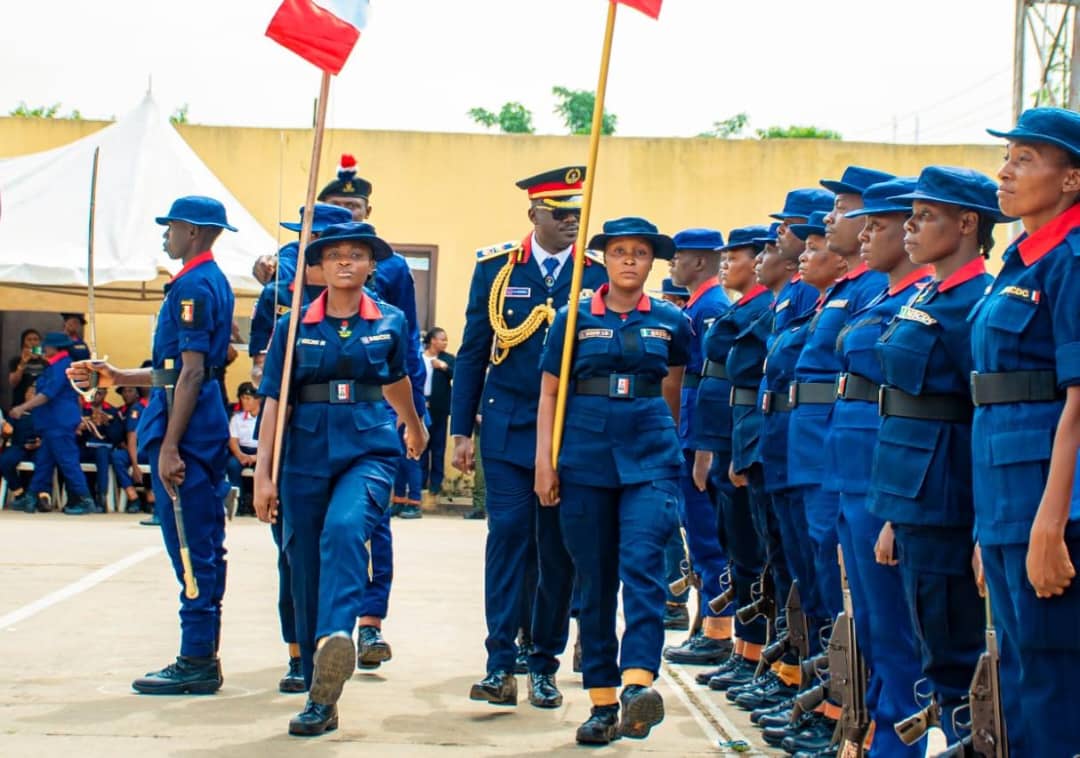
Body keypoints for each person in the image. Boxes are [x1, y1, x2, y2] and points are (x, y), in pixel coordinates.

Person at [253, 221, 426, 736]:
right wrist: (263, 475)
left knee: (347, 528)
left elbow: (396, 381)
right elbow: (273, 403)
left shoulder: (390, 321)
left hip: (368, 447)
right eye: (335, 256)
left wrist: (414, 427)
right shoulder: (291, 326)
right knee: (301, 563)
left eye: (357, 255)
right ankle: (318, 694)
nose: (346, 262)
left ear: (372, 265)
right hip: (302, 451)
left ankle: (336, 636)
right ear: (317, 267)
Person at [452, 166, 607, 709]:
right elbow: (473, 351)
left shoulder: (595, 274)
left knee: (555, 549)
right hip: (509, 423)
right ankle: (499, 663)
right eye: (559, 213)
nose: (570, 222)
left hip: (569, 431)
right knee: (508, 537)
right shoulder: (497, 270)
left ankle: (543, 660)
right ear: (533, 214)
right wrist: (459, 430)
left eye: (576, 214)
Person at [68, 195, 237, 695]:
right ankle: (200, 651)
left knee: (188, 541)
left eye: (171, 227)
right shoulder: (208, 281)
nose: (165, 235)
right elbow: (182, 367)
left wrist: (169, 447)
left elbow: (190, 372)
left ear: (192, 232)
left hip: (187, 427)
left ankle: (197, 657)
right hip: (193, 415)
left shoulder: (193, 285)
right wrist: (120, 375)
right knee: (201, 539)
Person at [534, 216, 687, 745]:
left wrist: (664, 443)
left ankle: (638, 683)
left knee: (643, 566)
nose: (629, 261)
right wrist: (544, 463)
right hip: (585, 455)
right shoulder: (571, 317)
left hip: (650, 456)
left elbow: (673, 388)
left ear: (651, 262)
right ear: (603, 259)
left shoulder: (671, 319)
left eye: (640, 253)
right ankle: (601, 700)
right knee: (594, 580)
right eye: (619, 251)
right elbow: (550, 393)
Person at [967, 107, 1080, 756]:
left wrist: (1049, 525)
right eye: (1006, 157)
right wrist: (990, 528)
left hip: (1050, 506)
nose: (1005, 172)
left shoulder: (1071, 261)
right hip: (1007, 503)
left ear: (1070, 180)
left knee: (1052, 683)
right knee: (1020, 677)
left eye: (1025, 159)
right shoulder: (1021, 261)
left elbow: (1077, 402)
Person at [824, 176, 933, 756]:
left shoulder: (922, 300)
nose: (866, 236)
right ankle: (873, 734)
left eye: (879, 226)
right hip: (850, 469)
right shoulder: (885, 297)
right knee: (870, 621)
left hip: (884, 475)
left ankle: (897, 741)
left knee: (895, 629)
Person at [317, 155, 428, 668]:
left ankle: (369, 624)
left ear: (368, 209)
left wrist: (412, 417)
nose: (345, 214)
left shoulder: (392, 267)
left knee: (373, 519)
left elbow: (406, 354)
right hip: (315, 418)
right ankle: (319, 634)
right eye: (335, 206)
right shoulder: (304, 259)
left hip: (377, 410)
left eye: (352, 207)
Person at [693, 225, 775, 694]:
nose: (730, 264)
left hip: (739, 437)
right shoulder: (744, 306)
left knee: (750, 552)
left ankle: (757, 653)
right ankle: (746, 652)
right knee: (737, 547)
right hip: (723, 434)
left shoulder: (763, 307)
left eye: (740, 256)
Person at [663, 228, 734, 667]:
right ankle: (707, 624)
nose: (672, 265)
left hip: (700, 435)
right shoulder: (698, 305)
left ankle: (718, 628)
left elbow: (712, 382)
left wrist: (705, 446)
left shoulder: (712, 308)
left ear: (701, 261)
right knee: (699, 533)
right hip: (691, 431)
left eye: (679, 257)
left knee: (708, 538)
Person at [248, 202, 353, 381]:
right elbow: (259, 367)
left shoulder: (362, 298)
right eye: (310, 235)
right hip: (288, 398)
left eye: (324, 237)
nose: (316, 243)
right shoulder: (277, 295)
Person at [9, 332, 95, 515]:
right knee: (44, 462)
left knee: (68, 461)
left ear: (54, 348)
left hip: (59, 422)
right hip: (51, 423)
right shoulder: (55, 365)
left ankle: (85, 498)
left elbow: (47, 395)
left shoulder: (61, 367)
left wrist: (22, 407)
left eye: (45, 346)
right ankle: (31, 497)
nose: (42, 348)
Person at [420, 326, 454, 502]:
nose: (445, 342)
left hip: (439, 409)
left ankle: (436, 484)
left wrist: (444, 367)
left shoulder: (447, 359)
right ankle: (420, 483)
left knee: (438, 447)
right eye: (442, 339)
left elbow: (456, 374)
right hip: (421, 406)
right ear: (433, 340)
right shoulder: (419, 358)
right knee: (422, 446)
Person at [77, 386, 121, 512]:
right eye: (94, 393)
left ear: (105, 394)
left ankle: (101, 497)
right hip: (85, 447)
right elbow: (74, 437)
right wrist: (82, 428)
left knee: (102, 455)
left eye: (100, 393)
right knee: (70, 456)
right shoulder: (81, 410)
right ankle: (78, 497)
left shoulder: (112, 411)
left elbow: (117, 437)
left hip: (103, 449)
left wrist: (107, 424)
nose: (97, 396)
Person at [112, 385, 153, 516]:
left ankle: (151, 497)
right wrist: (135, 466)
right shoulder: (137, 408)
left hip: (154, 450)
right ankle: (133, 497)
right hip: (139, 451)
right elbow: (132, 437)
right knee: (117, 456)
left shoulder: (161, 404)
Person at [1, 382, 41, 506]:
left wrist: (40, 443)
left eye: (34, 393)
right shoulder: (16, 412)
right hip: (19, 446)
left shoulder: (44, 414)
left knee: (45, 462)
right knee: (4, 461)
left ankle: (37, 496)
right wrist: (6, 431)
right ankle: (19, 493)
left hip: (39, 447)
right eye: (28, 393)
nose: (30, 395)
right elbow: (7, 433)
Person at [226, 382, 260, 515]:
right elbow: (233, 441)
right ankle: (238, 503)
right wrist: (241, 456)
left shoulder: (264, 418)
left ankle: (257, 503)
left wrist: (256, 457)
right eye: (242, 398)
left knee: (262, 469)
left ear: (257, 399)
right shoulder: (237, 418)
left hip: (260, 452)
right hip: (242, 451)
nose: (244, 401)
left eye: (248, 398)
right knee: (232, 465)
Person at [8, 329, 48, 407]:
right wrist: (23, 362)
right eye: (29, 340)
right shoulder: (16, 361)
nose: (33, 342)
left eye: (36, 339)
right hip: (20, 404)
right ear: (23, 343)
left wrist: (45, 359)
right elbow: (13, 382)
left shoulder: (46, 361)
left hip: (41, 405)